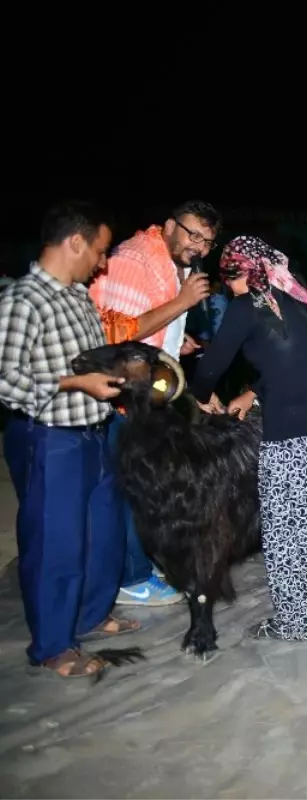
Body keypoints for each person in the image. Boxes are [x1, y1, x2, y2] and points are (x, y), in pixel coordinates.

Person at [192, 236, 307, 642]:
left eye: (229, 275)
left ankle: (296, 622)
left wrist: (198, 393)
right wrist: (254, 392)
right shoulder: (306, 299)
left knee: (286, 531)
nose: (227, 285)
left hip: (291, 439)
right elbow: (298, 363)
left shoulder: (246, 308)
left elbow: (212, 368)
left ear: (245, 271)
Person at [0, 202, 137, 678]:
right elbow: (5, 379)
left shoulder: (78, 296)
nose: (101, 263)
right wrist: (75, 385)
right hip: (51, 438)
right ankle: (54, 645)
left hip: (95, 431)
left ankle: (92, 614)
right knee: (56, 543)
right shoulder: (23, 301)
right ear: (73, 241)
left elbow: (90, 361)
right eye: (99, 251)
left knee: (103, 536)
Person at [88, 200, 220, 607]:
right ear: (169, 225)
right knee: (129, 489)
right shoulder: (133, 260)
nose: (198, 246)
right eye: (192, 234)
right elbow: (118, 337)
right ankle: (131, 578)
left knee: (145, 487)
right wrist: (182, 303)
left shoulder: (169, 264)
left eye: (207, 241)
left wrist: (176, 340)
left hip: (146, 396)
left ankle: (137, 563)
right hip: (121, 399)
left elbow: (148, 325)